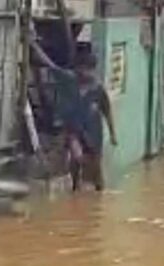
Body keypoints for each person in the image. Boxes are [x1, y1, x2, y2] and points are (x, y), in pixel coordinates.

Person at [27, 29, 118, 191]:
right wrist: (33, 45)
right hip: (74, 131)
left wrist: (113, 134)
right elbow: (49, 64)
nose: (85, 73)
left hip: (94, 134)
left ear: (93, 69)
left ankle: (98, 194)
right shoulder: (69, 80)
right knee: (76, 159)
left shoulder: (98, 89)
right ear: (77, 68)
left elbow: (107, 111)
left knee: (96, 171)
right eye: (82, 69)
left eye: (89, 69)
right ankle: (75, 190)